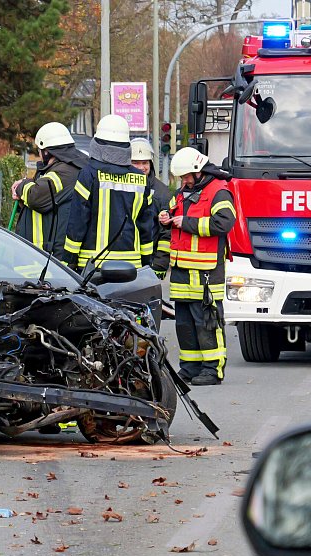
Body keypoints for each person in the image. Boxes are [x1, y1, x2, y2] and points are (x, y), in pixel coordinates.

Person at [161, 147, 236, 386]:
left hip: (206, 272)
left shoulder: (219, 192)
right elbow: (173, 212)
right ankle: (190, 368)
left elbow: (224, 223)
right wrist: (165, 217)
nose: (183, 181)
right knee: (185, 325)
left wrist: (187, 222)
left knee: (207, 322)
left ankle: (212, 370)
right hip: (181, 270)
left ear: (198, 171)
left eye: (186, 176)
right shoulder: (183, 192)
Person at [63, 115, 156, 272]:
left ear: (97, 144)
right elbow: (146, 226)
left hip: (93, 264)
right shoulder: (141, 179)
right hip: (131, 266)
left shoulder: (89, 174)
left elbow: (78, 221)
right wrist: (147, 262)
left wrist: (69, 260)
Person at [11, 122, 87, 256]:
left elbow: (35, 196)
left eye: (39, 150)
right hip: (40, 252)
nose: (39, 155)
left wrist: (21, 186)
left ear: (46, 152)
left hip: (45, 255)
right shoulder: (62, 169)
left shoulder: (64, 172)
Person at [131, 137, 171, 277]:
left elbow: (167, 232)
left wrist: (160, 263)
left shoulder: (162, 193)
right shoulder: (121, 187)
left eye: (145, 163)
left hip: (149, 261)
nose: (141, 167)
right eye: (136, 163)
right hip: (125, 258)